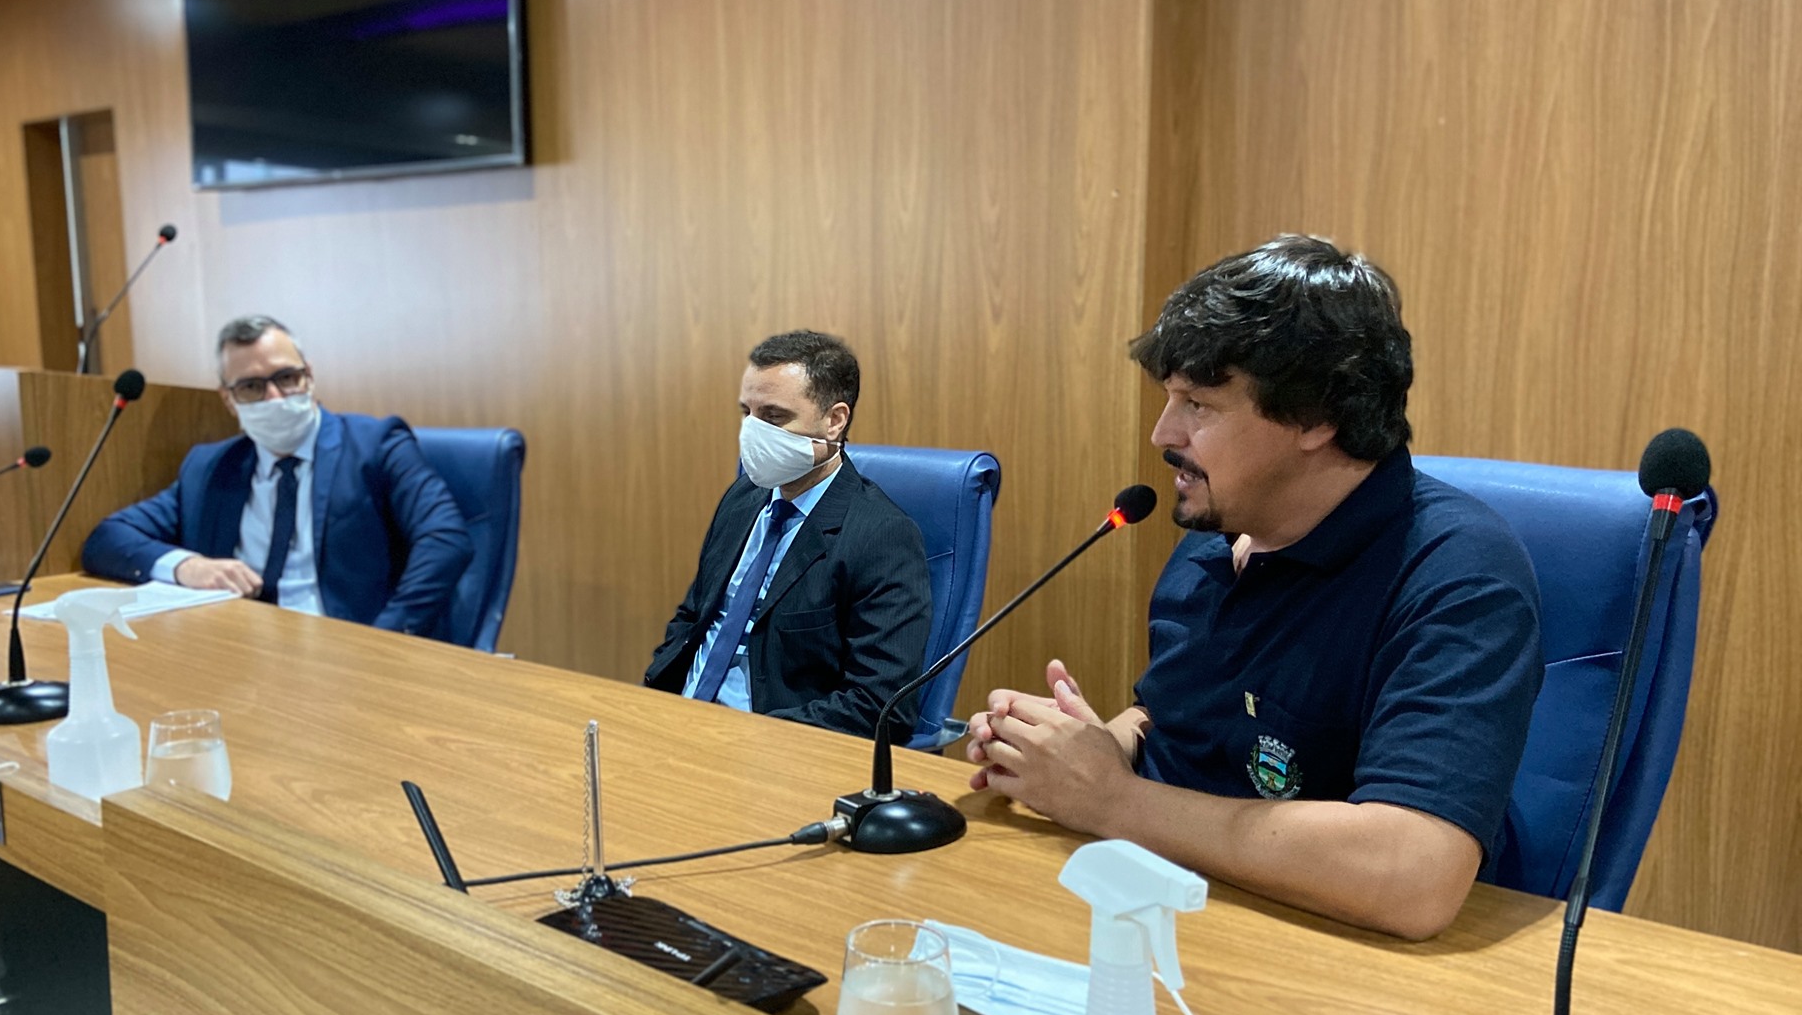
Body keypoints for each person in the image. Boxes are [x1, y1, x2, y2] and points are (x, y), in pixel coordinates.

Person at [967, 236, 1543, 940]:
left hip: (1345, 959)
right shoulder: (1216, 540)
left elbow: (1413, 875)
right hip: (1189, 917)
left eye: (1198, 404)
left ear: (1316, 416)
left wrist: (1111, 800)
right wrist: (1083, 752)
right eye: (1169, 398)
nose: (1162, 433)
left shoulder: (1459, 572)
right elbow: (1176, 721)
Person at [82, 315, 473, 639]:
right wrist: (189, 566)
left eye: (286, 377)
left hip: (348, 645)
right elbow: (109, 537)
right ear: (228, 399)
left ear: (309, 376)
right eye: (251, 387)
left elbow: (445, 539)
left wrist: (386, 639)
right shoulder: (211, 467)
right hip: (240, 648)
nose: (274, 397)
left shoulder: (376, 445)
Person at [644, 330, 932, 740]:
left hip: (772, 744)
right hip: (676, 720)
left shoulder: (883, 536)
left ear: (834, 421)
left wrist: (749, 737)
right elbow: (694, 617)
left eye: (774, 416)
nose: (751, 432)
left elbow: (879, 704)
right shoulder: (743, 498)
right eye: (747, 412)